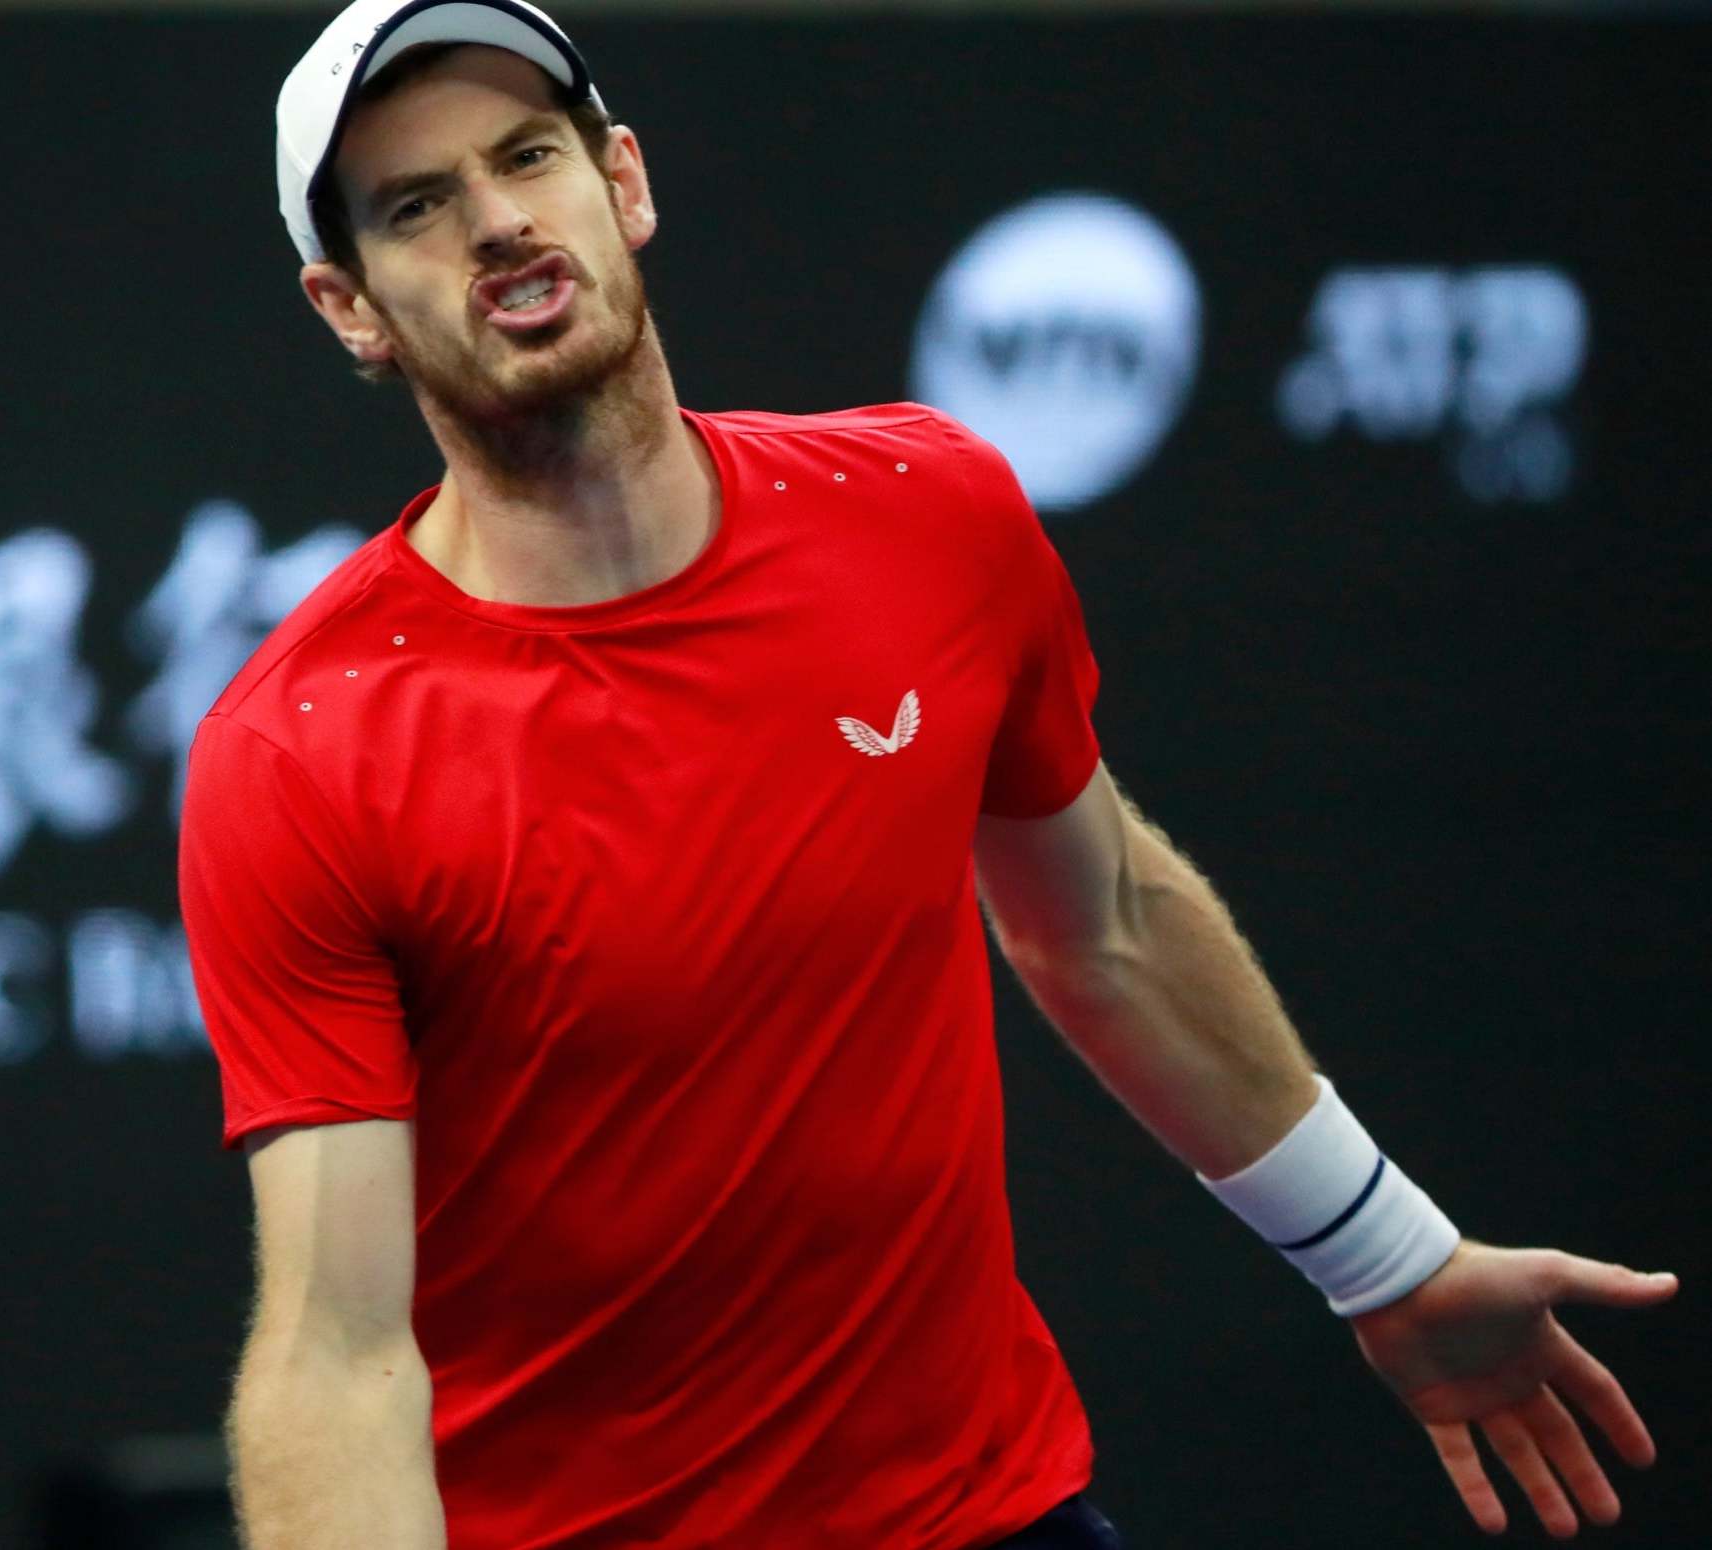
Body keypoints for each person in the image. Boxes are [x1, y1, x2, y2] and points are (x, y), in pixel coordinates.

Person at [178, 3, 1680, 1546]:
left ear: (620, 181)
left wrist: (1386, 1258)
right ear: (349, 306)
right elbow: (339, 1349)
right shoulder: (300, 750)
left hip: (991, 1516)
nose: (496, 222)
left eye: (528, 157)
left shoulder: (928, 512)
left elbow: (1100, 922)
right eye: (416, 206)